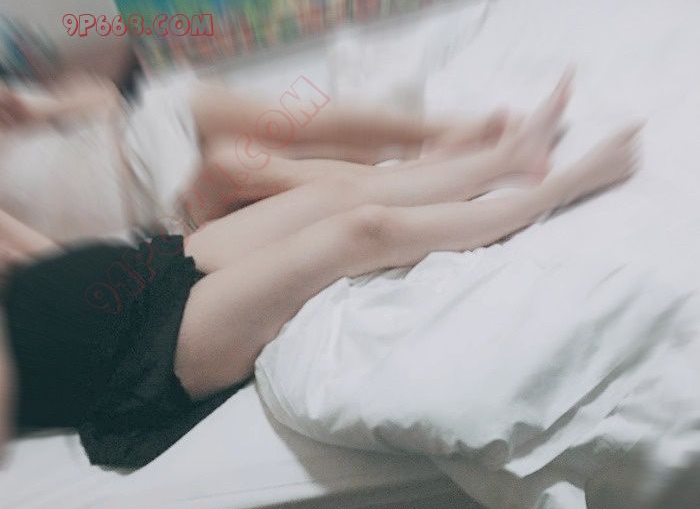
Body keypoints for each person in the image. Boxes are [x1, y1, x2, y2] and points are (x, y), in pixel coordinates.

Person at [0, 75, 642, 469]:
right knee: (361, 232)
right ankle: (550, 194)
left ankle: (508, 158)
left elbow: (43, 265)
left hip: (135, 273)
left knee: (338, 196)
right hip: (140, 352)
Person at [0, 71, 513, 244]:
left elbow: (108, 100)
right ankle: (423, 171)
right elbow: (43, 264)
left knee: (278, 115)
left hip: (145, 131)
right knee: (242, 164)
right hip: (151, 202)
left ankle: (435, 133)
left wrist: (37, 108)